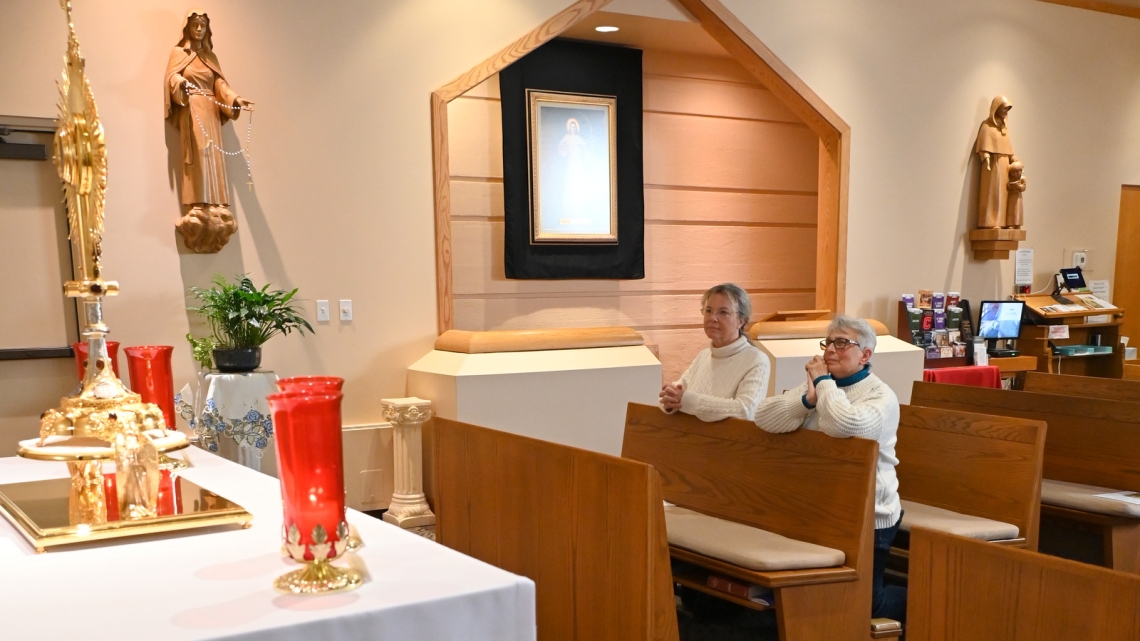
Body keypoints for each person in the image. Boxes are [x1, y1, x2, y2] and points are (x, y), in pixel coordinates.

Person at [752, 314, 906, 623]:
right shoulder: (824, 388)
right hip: (817, 508)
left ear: (865, 355)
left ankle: (928, 592)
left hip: (869, 515)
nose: (830, 351)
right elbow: (763, 417)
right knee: (823, 592)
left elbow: (843, 424)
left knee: (869, 605)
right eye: (828, 342)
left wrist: (822, 385)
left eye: (842, 343)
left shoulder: (881, 396)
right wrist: (806, 400)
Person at [165, 11, 253, 253]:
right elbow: (172, 77)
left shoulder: (210, 56)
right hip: (192, 109)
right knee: (198, 155)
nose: (199, 29)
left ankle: (216, 204)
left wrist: (235, 98)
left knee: (214, 158)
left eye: (203, 25)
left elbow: (220, 85)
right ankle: (198, 204)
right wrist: (179, 83)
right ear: (188, 27)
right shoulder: (179, 54)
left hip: (211, 112)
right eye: (195, 25)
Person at [660, 283, 770, 421]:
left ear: (740, 321)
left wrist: (687, 401)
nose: (713, 318)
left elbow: (746, 411)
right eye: (709, 310)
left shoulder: (756, 360)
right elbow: (679, 392)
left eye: (723, 312)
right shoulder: (703, 356)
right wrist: (669, 400)